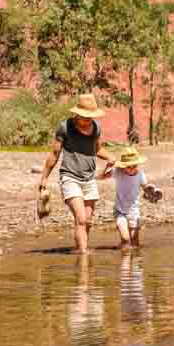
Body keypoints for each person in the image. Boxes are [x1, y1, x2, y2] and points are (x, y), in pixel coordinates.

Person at [37, 93, 116, 253]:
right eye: (84, 117)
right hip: (70, 177)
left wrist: (110, 157)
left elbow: (97, 148)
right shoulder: (65, 127)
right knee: (80, 218)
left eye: (90, 117)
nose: (88, 120)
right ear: (77, 114)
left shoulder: (96, 127)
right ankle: (84, 257)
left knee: (87, 221)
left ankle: (80, 251)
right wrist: (44, 177)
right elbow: (54, 154)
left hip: (90, 178)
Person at [105, 144, 159, 248]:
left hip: (134, 212)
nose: (131, 169)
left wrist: (151, 191)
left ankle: (132, 260)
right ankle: (124, 256)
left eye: (134, 166)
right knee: (125, 238)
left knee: (135, 243)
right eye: (128, 166)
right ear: (123, 165)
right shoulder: (118, 172)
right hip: (120, 210)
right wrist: (107, 167)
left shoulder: (140, 174)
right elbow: (101, 176)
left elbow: (145, 187)